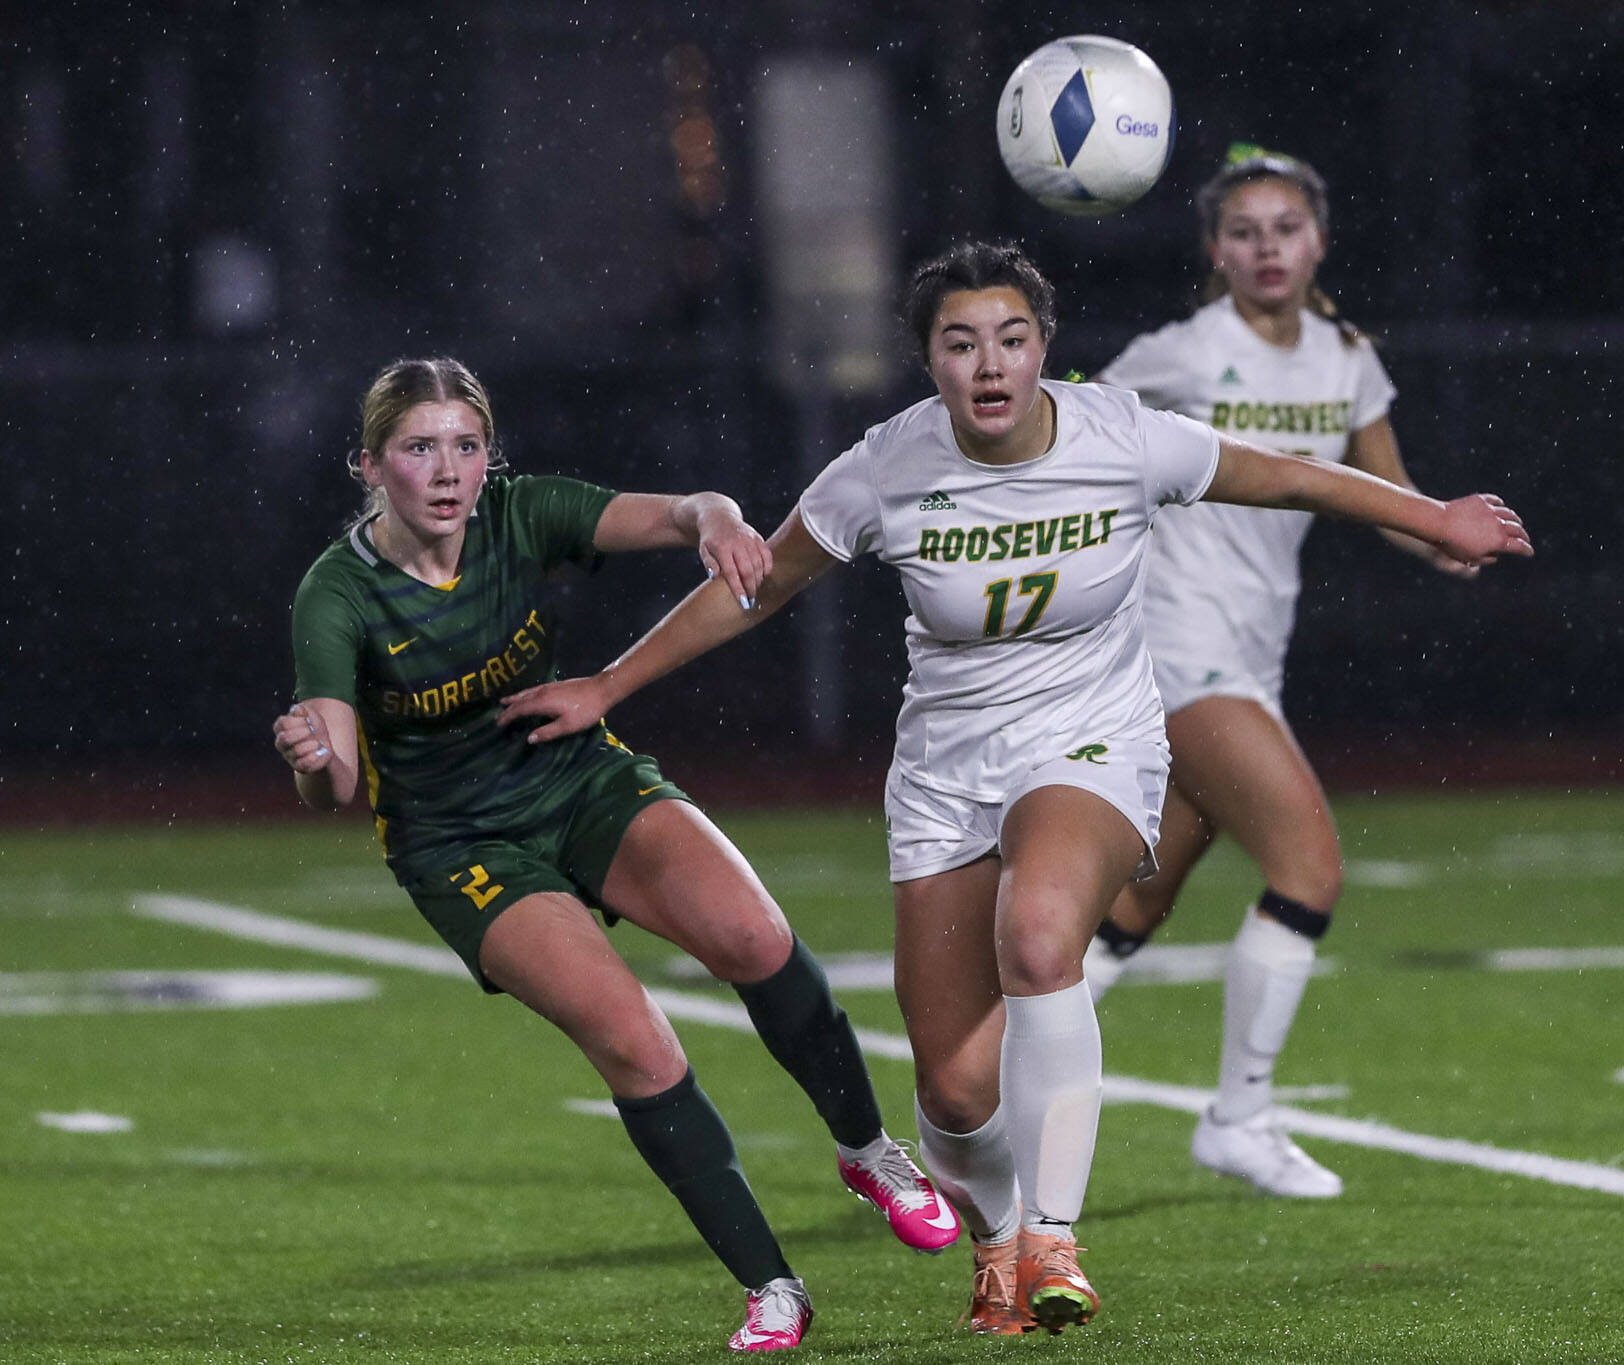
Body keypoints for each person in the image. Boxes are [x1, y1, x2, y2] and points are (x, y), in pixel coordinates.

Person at [496, 242, 1530, 1337]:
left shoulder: (1121, 435)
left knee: (1038, 937)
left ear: (1044, 348)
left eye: (1010, 338)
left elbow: (1285, 474)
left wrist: (1434, 517)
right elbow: (753, 592)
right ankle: (994, 1240)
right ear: (928, 362)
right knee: (948, 1095)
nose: (988, 365)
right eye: (959, 343)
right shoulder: (881, 468)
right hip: (945, 773)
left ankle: (1051, 1236)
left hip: (1091, 742)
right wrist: (609, 683)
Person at [269, 357, 961, 1355]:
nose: (448, 469)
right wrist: (308, 758)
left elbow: (690, 509)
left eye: (465, 444)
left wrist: (719, 522)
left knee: (754, 935)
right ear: (371, 467)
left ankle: (869, 1153)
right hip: (457, 842)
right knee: (636, 1040)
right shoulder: (335, 595)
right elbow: (332, 782)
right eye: (419, 448)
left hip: (571, 772)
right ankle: (773, 1287)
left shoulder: (519, 512)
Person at [1085, 144, 1481, 1200]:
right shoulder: (1173, 353)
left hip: (1250, 650)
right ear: (1214, 250)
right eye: (1245, 231)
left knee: (1131, 902)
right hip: (1171, 645)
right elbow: (1066, 439)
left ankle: (971, 1091)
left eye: (1286, 229)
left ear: (1318, 241)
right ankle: (1239, 1117)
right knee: (1307, 869)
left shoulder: (1345, 357)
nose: (1267, 248)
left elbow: (1383, 492)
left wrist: (1435, 539)